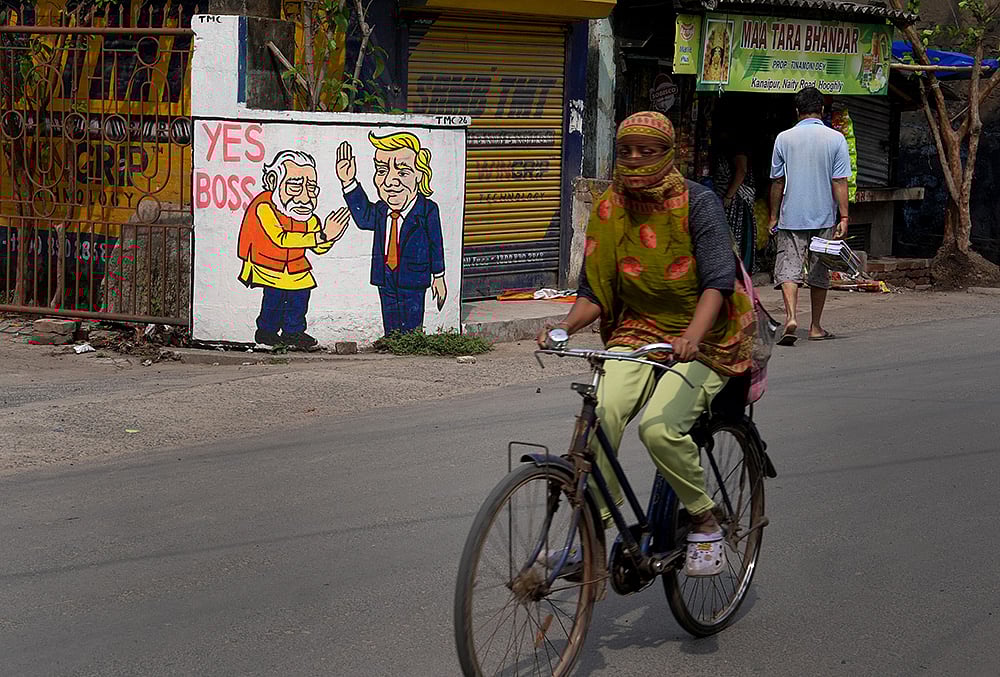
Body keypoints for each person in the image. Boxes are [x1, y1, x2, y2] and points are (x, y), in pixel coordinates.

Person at [537, 112, 755, 577]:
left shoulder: (699, 202)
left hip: (708, 333)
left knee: (659, 428)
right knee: (603, 413)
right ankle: (593, 530)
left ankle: (703, 516)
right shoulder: (608, 208)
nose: (635, 159)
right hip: (639, 329)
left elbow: (719, 281)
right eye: (627, 150)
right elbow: (595, 292)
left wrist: (691, 337)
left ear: (668, 153)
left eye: (647, 151)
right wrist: (564, 328)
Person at [237, 150, 351, 349]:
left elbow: (319, 248)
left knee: (300, 297)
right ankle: (266, 332)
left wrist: (330, 236)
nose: (305, 196)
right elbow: (281, 238)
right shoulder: (264, 207)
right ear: (274, 182)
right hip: (268, 266)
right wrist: (322, 235)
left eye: (311, 188)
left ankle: (293, 332)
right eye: (295, 186)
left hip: (296, 268)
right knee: (274, 299)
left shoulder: (308, 217)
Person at [337, 132, 447, 336]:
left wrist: (438, 277)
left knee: (412, 318)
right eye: (382, 170)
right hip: (385, 274)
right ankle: (392, 339)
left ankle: (411, 341)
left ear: (419, 175)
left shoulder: (427, 210)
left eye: (403, 173)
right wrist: (349, 181)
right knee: (391, 315)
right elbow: (363, 219)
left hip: (413, 276)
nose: (390, 181)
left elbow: (436, 244)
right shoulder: (380, 210)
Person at [768, 86, 851, 345]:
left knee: (789, 269)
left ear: (797, 111)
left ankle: (791, 317)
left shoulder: (783, 138)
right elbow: (840, 181)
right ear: (822, 110)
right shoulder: (836, 139)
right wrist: (844, 216)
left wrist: (773, 216)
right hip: (824, 216)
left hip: (791, 215)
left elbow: (778, 182)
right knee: (819, 272)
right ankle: (815, 326)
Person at [712, 126, 757, 273]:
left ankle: (739, 269)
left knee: (738, 235)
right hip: (733, 198)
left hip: (737, 200)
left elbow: (741, 171)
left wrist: (729, 195)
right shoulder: (730, 149)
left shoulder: (738, 150)